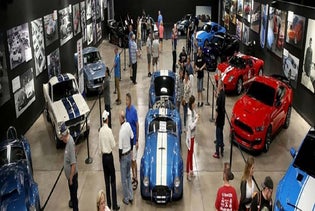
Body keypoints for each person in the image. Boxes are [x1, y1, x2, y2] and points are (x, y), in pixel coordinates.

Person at [98, 110, 120, 211]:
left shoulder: (100, 131)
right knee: (113, 181)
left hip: (103, 158)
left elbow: (99, 148)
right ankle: (115, 205)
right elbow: (113, 145)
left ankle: (109, 205)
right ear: (108, 119)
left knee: (106, 182)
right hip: (109, 157)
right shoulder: (109, 131)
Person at [60, 123, 78, 211]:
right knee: (73, 196)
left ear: (65, 135)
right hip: (71, 178)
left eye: (62, 136)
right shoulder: (68, 140)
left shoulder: (70, 144)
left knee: (74, 199)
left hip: (73, 178)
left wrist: (70, 178)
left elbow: (73, 164)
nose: (61, 138)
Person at [118, 110, 134, 205]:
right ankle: (131, 196)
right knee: (129, 176)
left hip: (124, 156)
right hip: (129, 154)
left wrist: (120, 158)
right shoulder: (128, 125)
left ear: (121, 118)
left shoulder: (121, 131)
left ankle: (126, 198)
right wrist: (131, 149)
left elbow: (120, 148)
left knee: (124, 179)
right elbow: (132, 137)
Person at [125, 93, 139, 190]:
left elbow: (137, 125)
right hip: (128, 141)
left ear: (130, 100)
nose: (126, 102)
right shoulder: (126, 110)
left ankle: (136, 178)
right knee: (130, 160)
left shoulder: (134, 111)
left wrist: (137, 140)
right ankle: (132, 176)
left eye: (127, 100)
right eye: (125, 100)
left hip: (133, 140)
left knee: (134, 160)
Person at [186, 95, 199, 181]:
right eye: (194, 102)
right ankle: (188, 172)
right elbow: (191, 126)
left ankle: (191, 171)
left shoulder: (193, 111)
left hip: (193, 136)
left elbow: (195, 114)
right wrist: (197, 120)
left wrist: (197, 116)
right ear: (192, 103)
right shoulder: (189, 113)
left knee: (191, 153)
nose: (195, 103)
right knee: (189, 154)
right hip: (190, 137)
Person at [213, 79, 226, 159]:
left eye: (218, 86)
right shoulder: (223, 94)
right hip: (223, 118)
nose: (217, 87)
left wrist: (215, 119)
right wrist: (216, 95)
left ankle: (217, 152)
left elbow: (217, 109)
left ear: (220, 86)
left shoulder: (219, 98)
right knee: (221, 133)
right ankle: (222, 147)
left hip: (219, 118)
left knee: (217, 135)